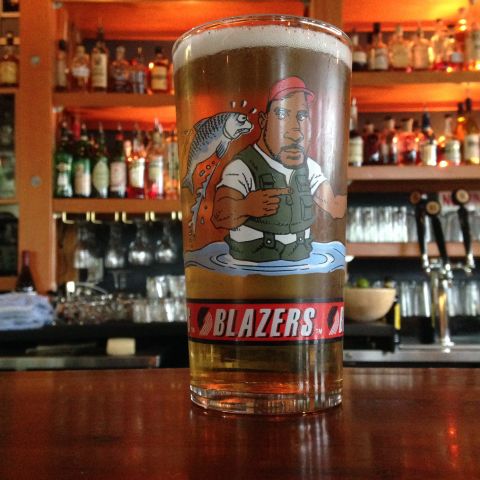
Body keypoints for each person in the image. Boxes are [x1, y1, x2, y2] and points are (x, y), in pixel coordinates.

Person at [212, 76, 346, 262]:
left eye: (302, 116)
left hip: (302, 259)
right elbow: (219, 215)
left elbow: (333, 206)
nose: (296, 132)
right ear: (263, 121)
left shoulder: (310, 168)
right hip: (253, 261)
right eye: (282, 115)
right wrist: (246, 206)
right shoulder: (242, 167)